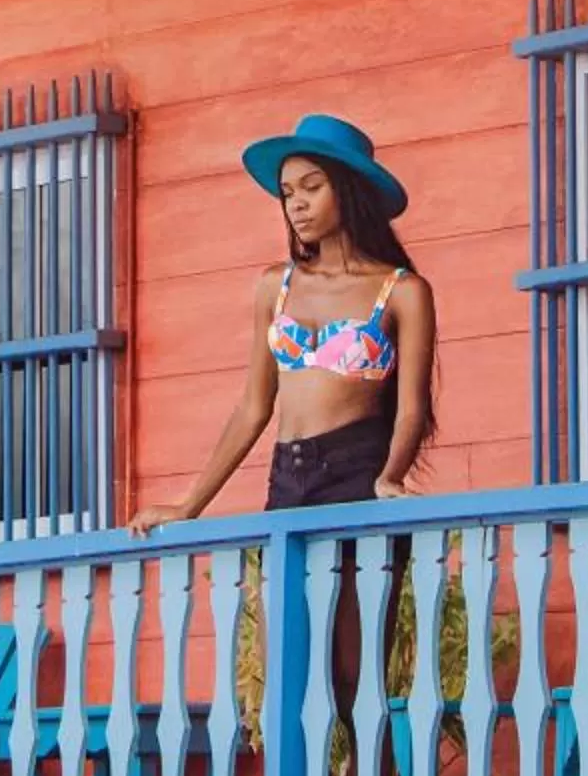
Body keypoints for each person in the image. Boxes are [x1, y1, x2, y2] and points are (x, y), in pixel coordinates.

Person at [132, 112, 436, 531]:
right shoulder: (275, 285)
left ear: (349, 190)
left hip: (358, 473)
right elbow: (253, 408)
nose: (297, 204)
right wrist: (189, 506)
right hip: (286, 478)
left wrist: (390, 476)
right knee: (282, 576)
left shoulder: (402, 290)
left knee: (354, 578)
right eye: (288, 192)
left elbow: (411, 409)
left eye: (312, 187)